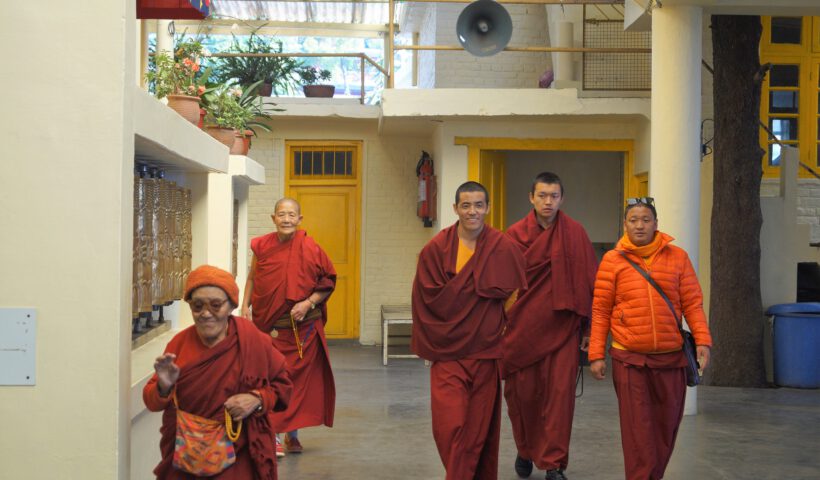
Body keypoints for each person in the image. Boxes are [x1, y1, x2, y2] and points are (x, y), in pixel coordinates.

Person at [589, 197, 713, 480]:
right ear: (624, 225)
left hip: (671, 358)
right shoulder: (612, 261)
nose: (639, 225)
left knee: (665, 428)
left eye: (646, 220)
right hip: (630, 358)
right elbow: (600, 309)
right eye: (633, 220)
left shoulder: (677, 257)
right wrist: (596, 354)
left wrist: (703, 340)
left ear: (656, 224)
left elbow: (692, 303)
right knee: (637, 431)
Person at [412, 181, 527, 480]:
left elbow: (515, 293)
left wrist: (497, 324)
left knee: (476, 430)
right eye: (466, 205)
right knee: (449, 427)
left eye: (478, 205)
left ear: (487, 208)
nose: (472, 211)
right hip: (447, 353)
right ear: (455, 209)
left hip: (484, 353)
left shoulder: (503, 247)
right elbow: (425, 297)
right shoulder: (436, 249)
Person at [143, 265, 292, 480]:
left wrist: (256, 399)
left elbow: (284, 388)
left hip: (239, 455)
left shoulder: (253, 341)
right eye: (197, 306)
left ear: (231, 305)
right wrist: (163, 387)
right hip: (187, 455)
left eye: (215, 305)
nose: (205, 313)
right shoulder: (179, 344)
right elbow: (152, 402)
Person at [502, 172, 598, 480]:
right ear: (531, 197)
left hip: (562, 331)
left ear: (561, 199)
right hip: (522, 332)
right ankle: (525, 448)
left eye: (553, 196)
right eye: (542, 195)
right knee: (522, 397)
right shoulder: (513, 235)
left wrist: (589, 330)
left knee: (559, 400)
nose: (548, 202)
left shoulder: (576, 234)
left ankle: (554, 462)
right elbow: (500, 287)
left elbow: (589, 283)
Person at [241, 197, 337, 455]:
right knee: (272, 380)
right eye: (281, 214)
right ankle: (273, 434)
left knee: (298, 383)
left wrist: (308, 303)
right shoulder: (262, 246)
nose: (286, 219)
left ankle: (292, 435)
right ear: (273, 218)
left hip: (303, 331)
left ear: (300, 219)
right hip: (270, 327)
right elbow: (252, 277)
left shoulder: (310, 247)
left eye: (291, 215)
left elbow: (328, 280)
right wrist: (244, 306)